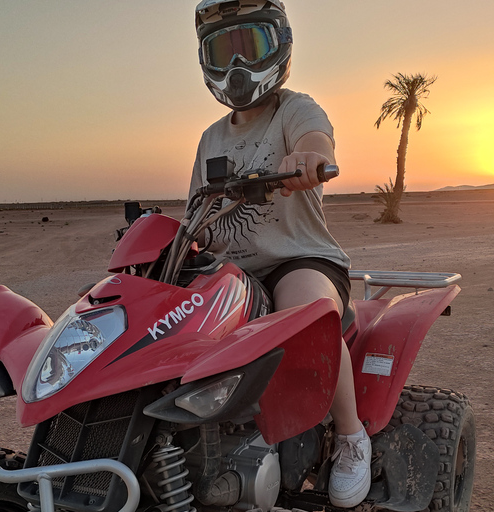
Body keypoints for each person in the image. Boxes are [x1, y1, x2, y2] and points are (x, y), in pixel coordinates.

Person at [188, 0, 371, 508]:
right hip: (229, 273)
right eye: (225, 50)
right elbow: (195, 215)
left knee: (305, 309)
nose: (239, 67)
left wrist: (311, 157)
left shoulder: (295, 109)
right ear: (207, 59)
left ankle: (352, 436)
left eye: (252, 47)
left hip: (299, 259)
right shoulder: (210, 138)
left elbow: (318, 141)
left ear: (280, 44)